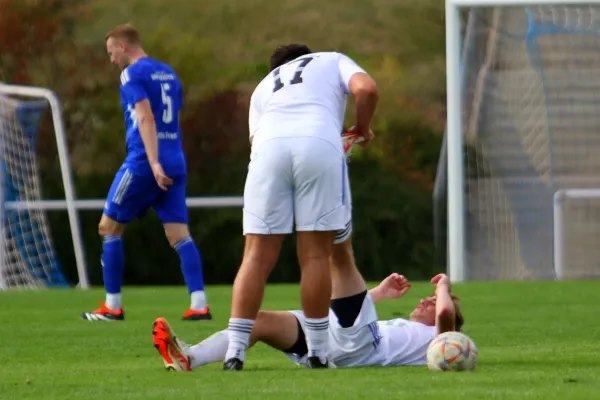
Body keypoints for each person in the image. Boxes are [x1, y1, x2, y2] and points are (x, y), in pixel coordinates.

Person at [222, 43, 379, 370]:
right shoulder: (332, 59)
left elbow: (257, 140)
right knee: (315, 255)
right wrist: (362, 127)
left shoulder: (263, 87)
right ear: (307, 56)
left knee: (256, 254)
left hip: (268, 151)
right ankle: (318, 352)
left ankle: (234, 352)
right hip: (319, 144)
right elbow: (366, 89)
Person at [151, 240, 463, 371]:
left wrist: (445, 285)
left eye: (432, 302)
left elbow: (447, 316)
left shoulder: (437, 340)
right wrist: (378, 294)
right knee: (256, 322)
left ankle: (331, 173)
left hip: (356, 346)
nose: (427, 300)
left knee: (339, 253)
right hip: (339, 339)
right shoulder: (409, 330)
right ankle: (190, 358)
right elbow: (350, 318)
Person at [81, 24, 211, 322]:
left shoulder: (131, 74)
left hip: (144, 161)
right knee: (179, 234)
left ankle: (112, 307)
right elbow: (172, 117)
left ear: (123, 46)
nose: (111, 58)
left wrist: (153, 163)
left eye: (111, 51)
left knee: (108, 228)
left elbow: (145, 117)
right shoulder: (168, 73)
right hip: (176, 158)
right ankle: (199, 304)